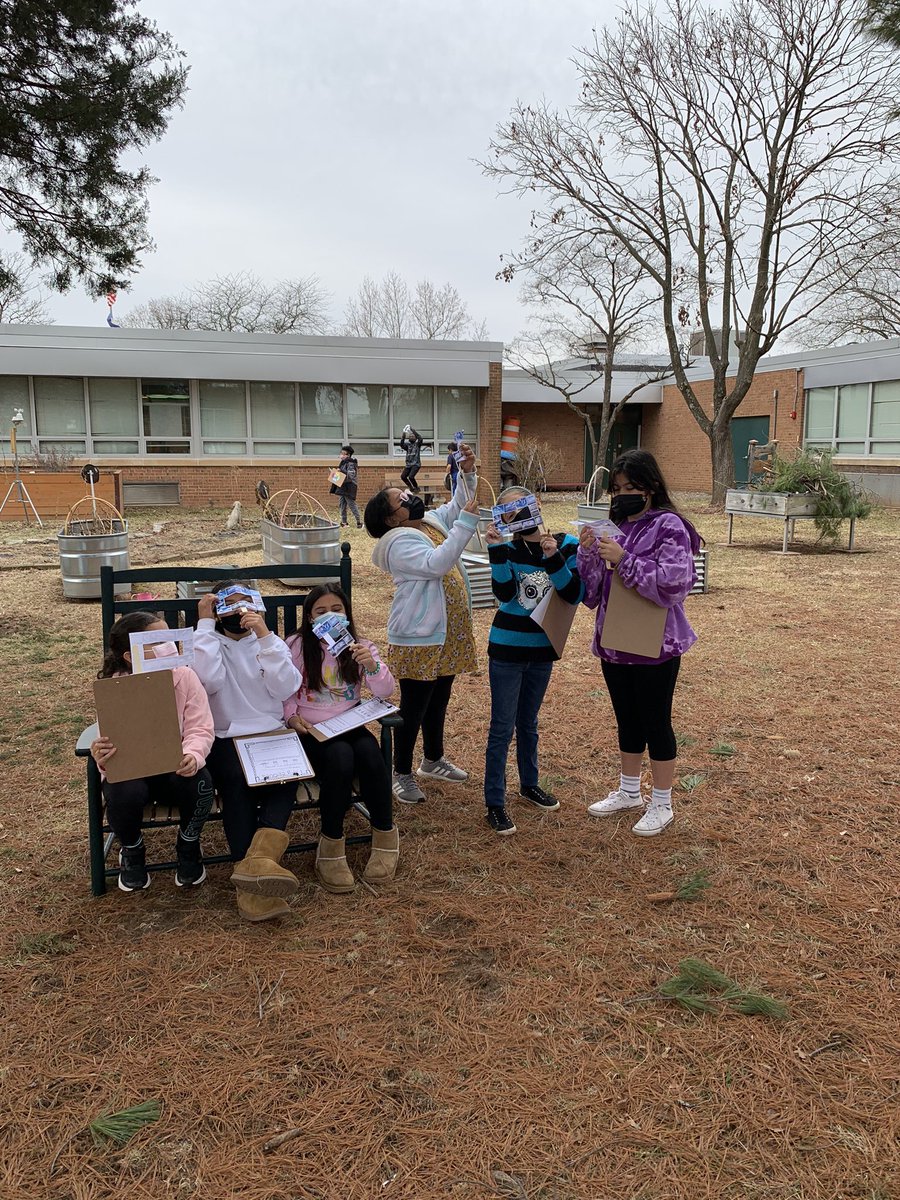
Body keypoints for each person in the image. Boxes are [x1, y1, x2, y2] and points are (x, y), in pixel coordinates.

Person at [577, 449, 701, 836]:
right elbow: (591, 594)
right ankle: (629, 791)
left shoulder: (669, 525)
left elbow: (674, 585)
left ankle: (662, 802)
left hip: (655, 647)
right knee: (627, 720)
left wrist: (624, 558)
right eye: (616, 489)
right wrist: (587, 552)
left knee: (656, 722)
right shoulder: (614, 527)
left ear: (651, 487)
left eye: (630, 487)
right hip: (614, 644)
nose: (622, 495)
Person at [364, 442, 479, 804]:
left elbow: (457, 505)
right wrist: (466, 525)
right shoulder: (398, 542)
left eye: (406, 492)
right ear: (391, 519)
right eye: (401, 498)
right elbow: (436, 564)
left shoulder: (426, 522)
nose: (409, 496)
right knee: (414, 706)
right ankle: (400, 772)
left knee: (439, 697)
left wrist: (467, 473)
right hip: (419, 635)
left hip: (446, 633)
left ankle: (432, 760)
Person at [193, 582, 303, 922]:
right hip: (226, 735)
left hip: (270, 731)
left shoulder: (269, 643)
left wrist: (266, 638)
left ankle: (254, 867)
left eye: (247, 604)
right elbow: (208, 682)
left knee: (287, 778)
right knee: (235, 782)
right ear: (217, 611)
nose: (240, 612)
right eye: (230, 605)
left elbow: (285, 687)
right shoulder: (208, 642)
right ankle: (254, 871)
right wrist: (205, 625)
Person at [283, 584, 398, 892]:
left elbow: (385, 691)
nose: (329, 616)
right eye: (321, 611)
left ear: (347, 614)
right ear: (310, 618)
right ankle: (331, 842)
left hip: (349, 723)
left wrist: (371, 665)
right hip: (311, 729)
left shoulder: (360, 646)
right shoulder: (296, 645)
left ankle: (385, 834)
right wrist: (292, 716)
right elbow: (283, 689)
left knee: (369, 753)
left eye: (337, 610)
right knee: (341, 756)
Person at [90, 612, 215, 892]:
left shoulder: (184, 676)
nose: (167, 646)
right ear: (129, 655)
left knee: (201, 782)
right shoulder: (114, 685)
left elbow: (200, 727)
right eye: (156, 641)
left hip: (175, 768)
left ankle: (188, 844)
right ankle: (132, 850)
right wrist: (101, 753)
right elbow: (106, 736)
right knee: (122, 789)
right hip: (134, 771)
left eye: (168, 636)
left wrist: (193, 755)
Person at [483, 487, 583, 834]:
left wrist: (553, 557)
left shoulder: (566, 544)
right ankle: (494, 802)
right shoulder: (507, 548)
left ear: (537, 505)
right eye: (508, 512)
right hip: (507, 648)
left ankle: (529, 784)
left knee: (529, 723)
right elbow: (504, 593)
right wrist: (496, 550)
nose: (517, 515)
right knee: (502, 727)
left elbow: (574, 594)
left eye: (522, 507)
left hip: (542, 649)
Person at [331, 444, 362, 528]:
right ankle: (344, 522)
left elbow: (351, 476)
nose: (341, 455)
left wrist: (340, 471)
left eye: (343, 453)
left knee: (351, 504)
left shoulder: (351, 463)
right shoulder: (343, 463)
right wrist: (336, 473)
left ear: (348, 455)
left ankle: (359, 522)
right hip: (342, 486)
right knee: (342, 504)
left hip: (349, 486)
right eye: (341, 453)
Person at [399, 425, 423, 492]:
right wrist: (404, 435)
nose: (411, 437)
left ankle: (416, 487)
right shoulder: (408, 445)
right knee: (403, 476)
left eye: (413, 436)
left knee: (411, 477)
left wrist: (412, 430)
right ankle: (411, 487)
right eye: (410, 436)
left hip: (416, 464)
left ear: (415, 438)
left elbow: (420, 438)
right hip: (408, 464)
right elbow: (401, 445)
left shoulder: (417, 445)